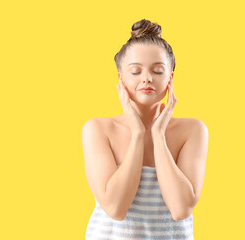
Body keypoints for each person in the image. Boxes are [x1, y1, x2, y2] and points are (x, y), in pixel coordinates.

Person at [82, 18, 209, 240]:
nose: (147, 78)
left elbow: (181, 209)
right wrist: (138, 134)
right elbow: (115, 208)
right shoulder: (97, 129)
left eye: (158, 71)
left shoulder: (193, 130)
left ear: (170, 78)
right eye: (135, 71)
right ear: (120, 79)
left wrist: (158, 136)